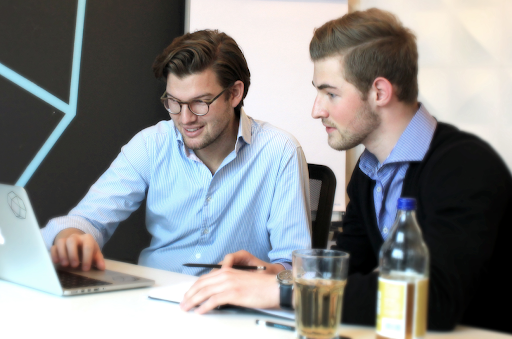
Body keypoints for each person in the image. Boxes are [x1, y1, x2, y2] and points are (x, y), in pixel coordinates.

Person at [180, 8, 512, 333]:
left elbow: (433, 301)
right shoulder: (370, 173)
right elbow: (348, 269)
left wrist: (280, 293)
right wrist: (280, 276)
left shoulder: (465, 167)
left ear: (379, 92)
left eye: (330, 93)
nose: (316, 109)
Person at [41, 29, 311, 277]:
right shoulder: (151, 144)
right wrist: (71, 235)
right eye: (173, 102)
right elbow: (87, 219)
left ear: (234, 94)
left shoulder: (280, 152)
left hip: (235, 307)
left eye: (200, 103)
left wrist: (270, 274)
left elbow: (294, 266)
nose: (184, 119)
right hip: (154, 303)